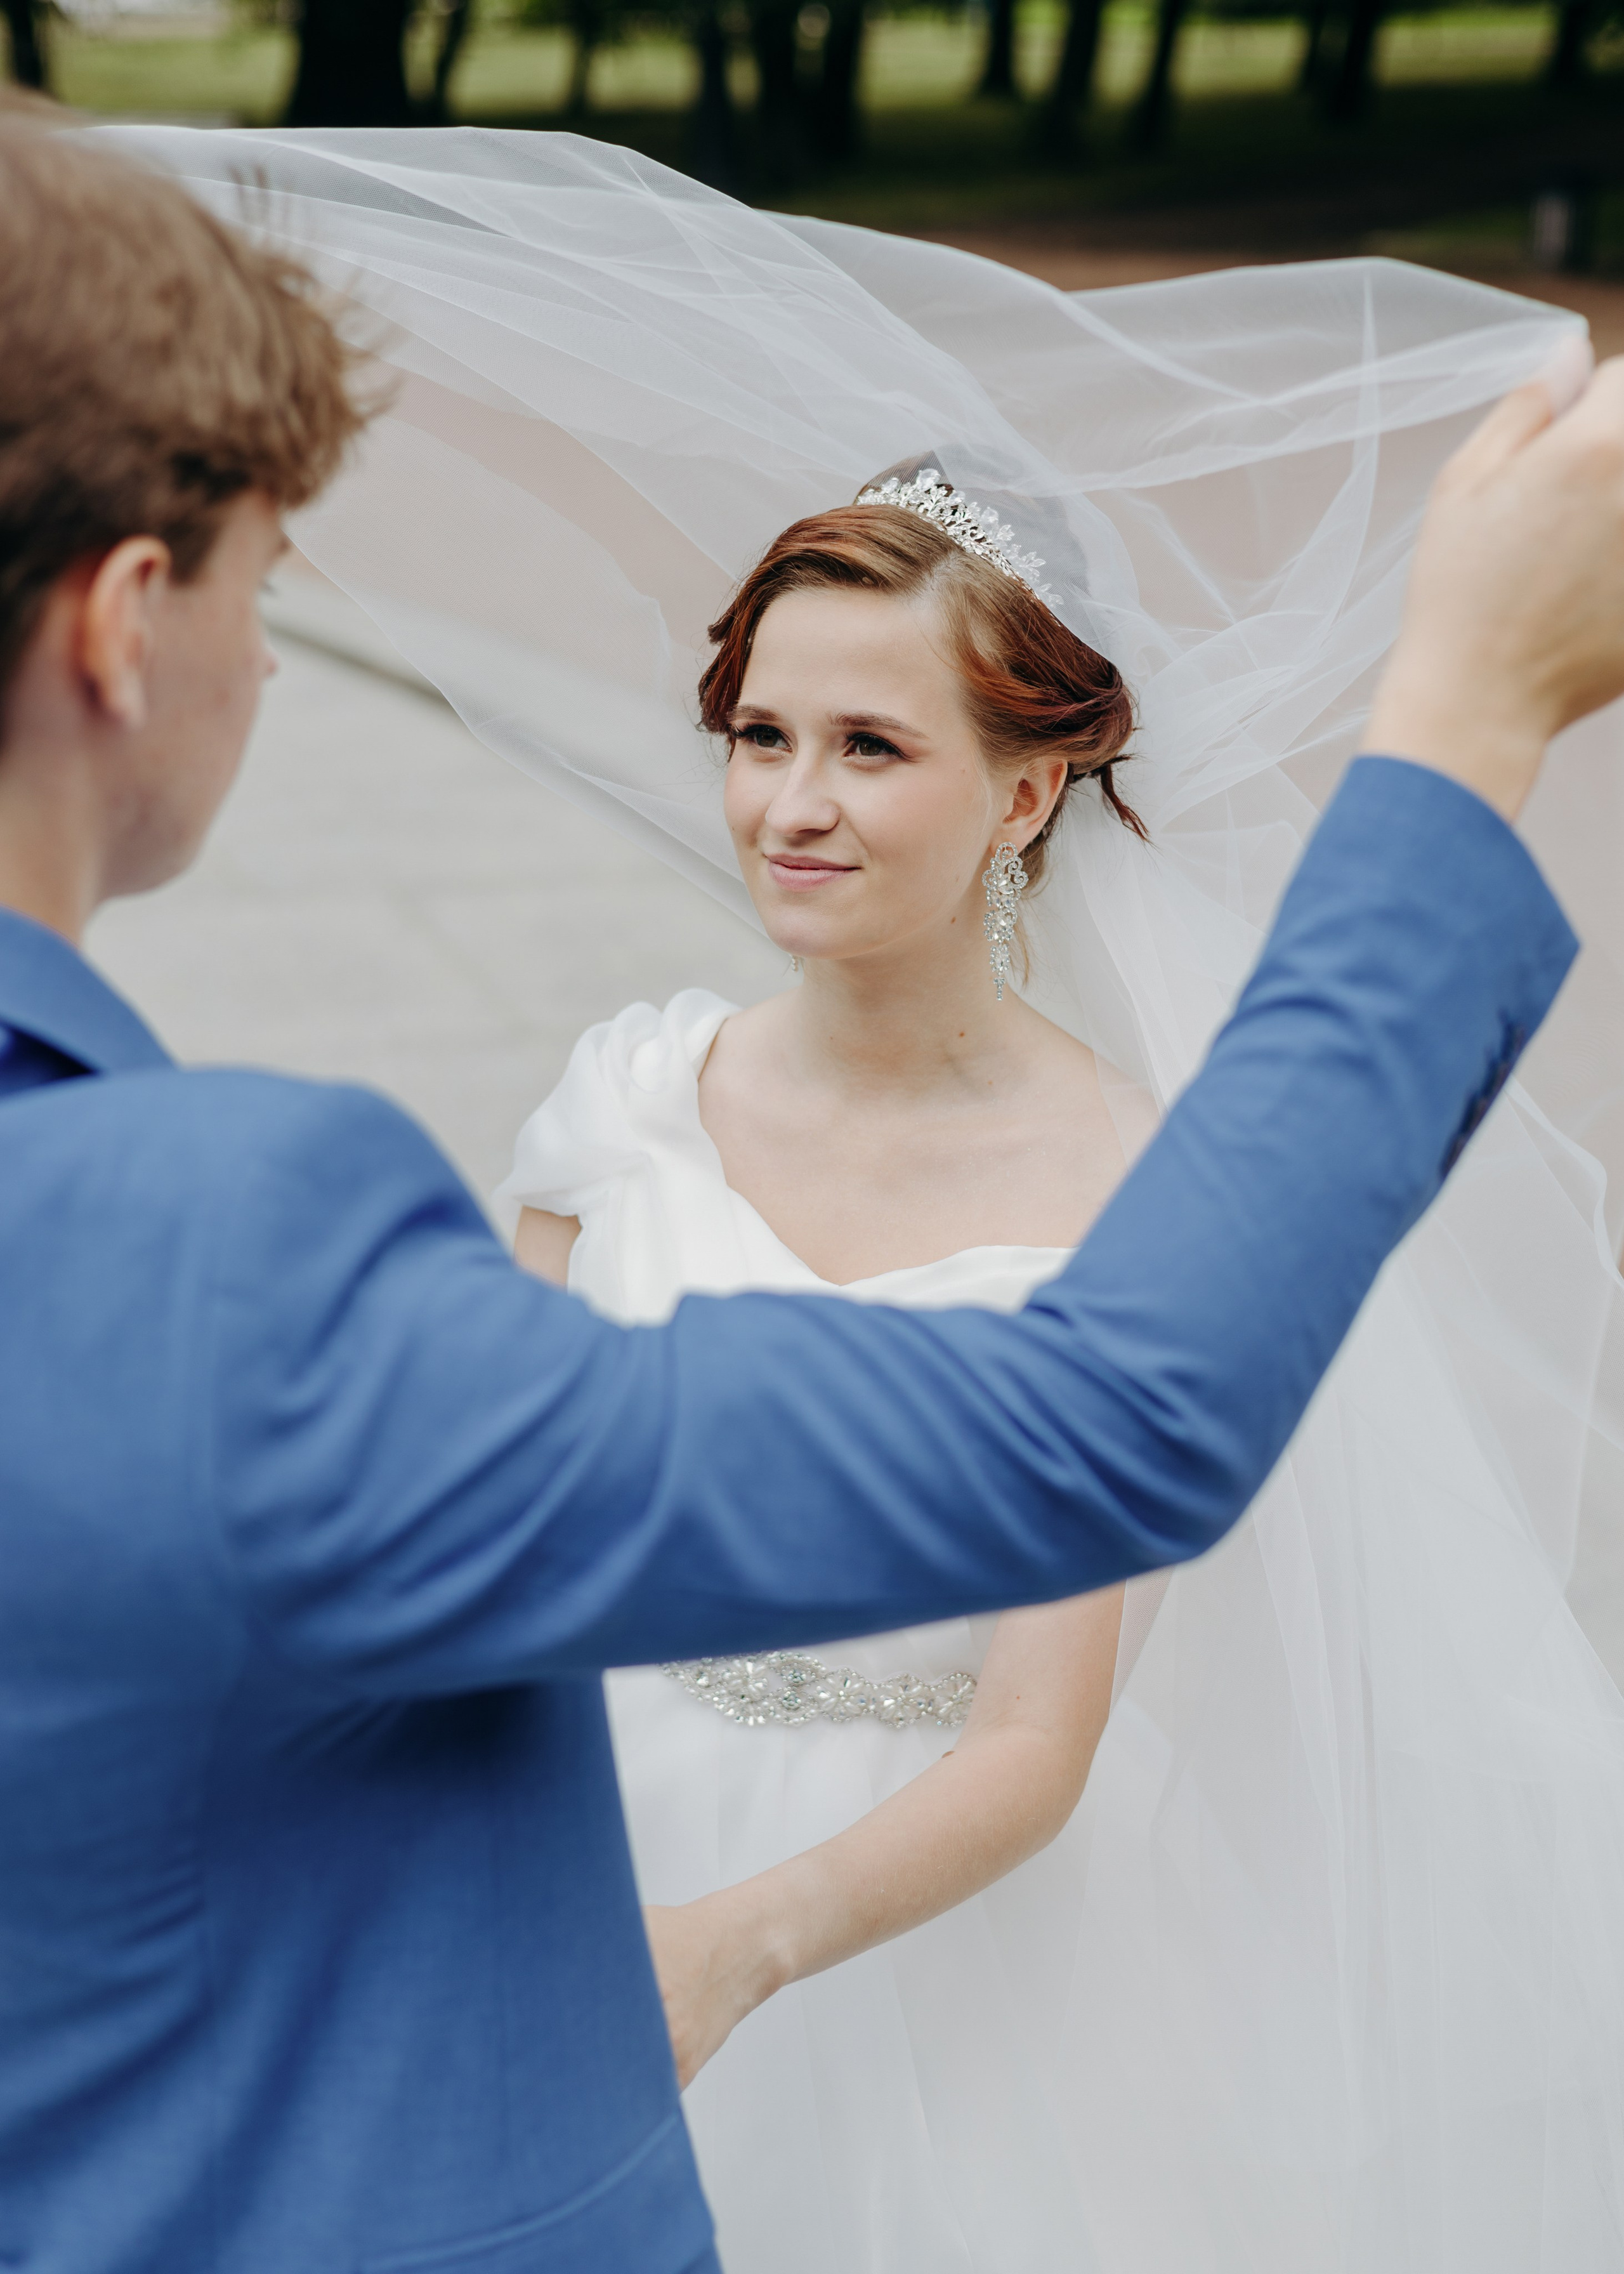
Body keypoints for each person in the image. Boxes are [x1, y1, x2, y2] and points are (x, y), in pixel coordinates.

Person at [0, 117, 1619, 2274]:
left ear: (1030, 790)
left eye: (869, 748)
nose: (275, 661)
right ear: (122, 624)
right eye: (260, 586)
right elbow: (1108, 1426)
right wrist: (1472, 718)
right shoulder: (212, 1256)